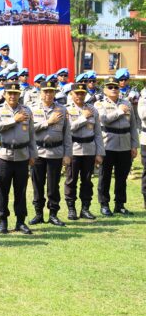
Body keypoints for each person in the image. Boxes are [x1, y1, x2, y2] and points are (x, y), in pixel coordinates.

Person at [0, 82, 37, 234]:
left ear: (19, 95)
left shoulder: (27, 110)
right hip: (3, 155)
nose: (13, 96)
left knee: (21, 190)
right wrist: (14, 120)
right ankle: (2, 221)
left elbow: (31, 135)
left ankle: (21, 221)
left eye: (16, 93)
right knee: (2, 190)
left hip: (22, 155)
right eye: (10, 93)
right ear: (4, 94)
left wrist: (33, 154)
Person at [30, 78, 72, 226]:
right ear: (40, 92)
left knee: (53, 186)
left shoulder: (62, 110)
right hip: (38, 152)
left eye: (51, 91)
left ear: (55, 93)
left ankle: (53, 214)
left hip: (56, 152)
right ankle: (38, 214)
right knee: (37, 185)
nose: (48, 94)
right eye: (45, 91)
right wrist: (48, 122)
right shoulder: (31, 109)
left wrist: (67, 154)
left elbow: (67, 134)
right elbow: (29, 130)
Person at [95, 76, 139, 216]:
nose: (113, 89)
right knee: (105, 176)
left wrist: (134, 145)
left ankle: (119, 204)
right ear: (104, 90)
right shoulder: (99, 104)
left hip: (125, 145)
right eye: (110, 87)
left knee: (122, 177)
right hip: (108, 144)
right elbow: (104, 120)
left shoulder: (127, 103)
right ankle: (104, 204)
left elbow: (133, 126)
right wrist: (119, 111)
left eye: (116, 87)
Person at [64, 82, 104, 220]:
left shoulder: (93, 109)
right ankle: (71, 209)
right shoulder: (66, 110)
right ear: (71, 94)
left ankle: (85, 209)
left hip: (89, 149)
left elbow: (98, 133)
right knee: (71, 181)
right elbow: (67, 130)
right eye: (77, 93)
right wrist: (83, 118)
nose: (80, 96)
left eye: (82, 93)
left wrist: (99, 152)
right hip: (73, 150)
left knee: (87, 181)